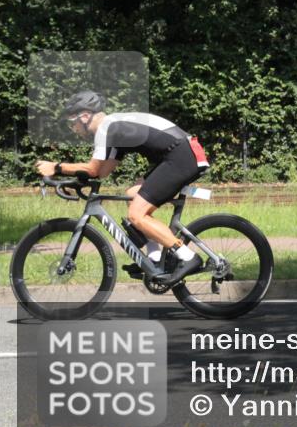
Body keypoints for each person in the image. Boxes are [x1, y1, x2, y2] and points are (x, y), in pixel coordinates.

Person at [34, 91, 210, 284]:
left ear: (85, 116)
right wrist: (75, 180)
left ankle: (187, 256)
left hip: (181, 156)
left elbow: (92, 168)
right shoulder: (114, 129)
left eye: (72, 122)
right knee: (132, 194)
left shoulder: (106, 128)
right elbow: (101, 172)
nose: (73, 127)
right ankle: (154, 258)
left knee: (137, 214)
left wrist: (56, 167)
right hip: (178, 155)